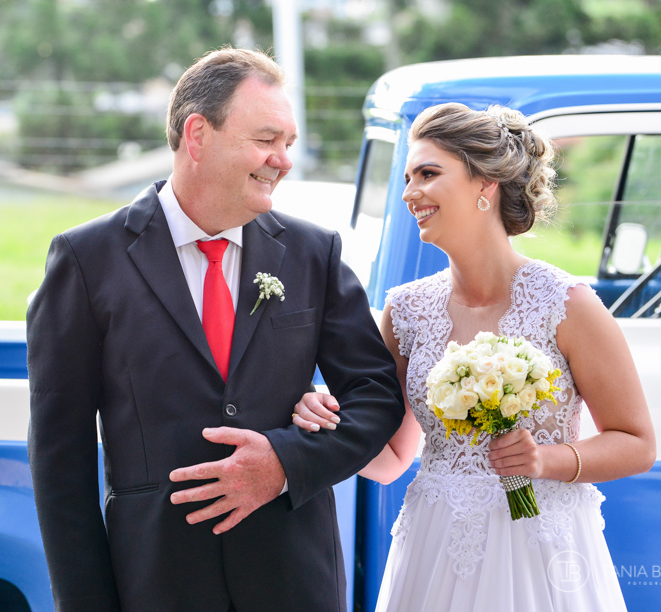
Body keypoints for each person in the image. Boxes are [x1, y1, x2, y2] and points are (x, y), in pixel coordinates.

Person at [26, 47, 404, 612]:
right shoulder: (87, 260)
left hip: (294, 583)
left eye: (289, 143)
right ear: (198, 135)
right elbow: (61, 460)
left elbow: (376, 396)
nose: (283, 160)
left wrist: (285, 462)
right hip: (155, 586)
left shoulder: (313, 252)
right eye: (266, 139)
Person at [293, 102, 656, 611]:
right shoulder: (406, 311)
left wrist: (545, 460)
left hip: (539, 556)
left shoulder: (566, 304)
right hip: (435, 552)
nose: (409, 193)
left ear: (486, 184)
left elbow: (637, 443)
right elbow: (392, 458)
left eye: (428, 174)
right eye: (407, 178)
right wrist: (324, 425)